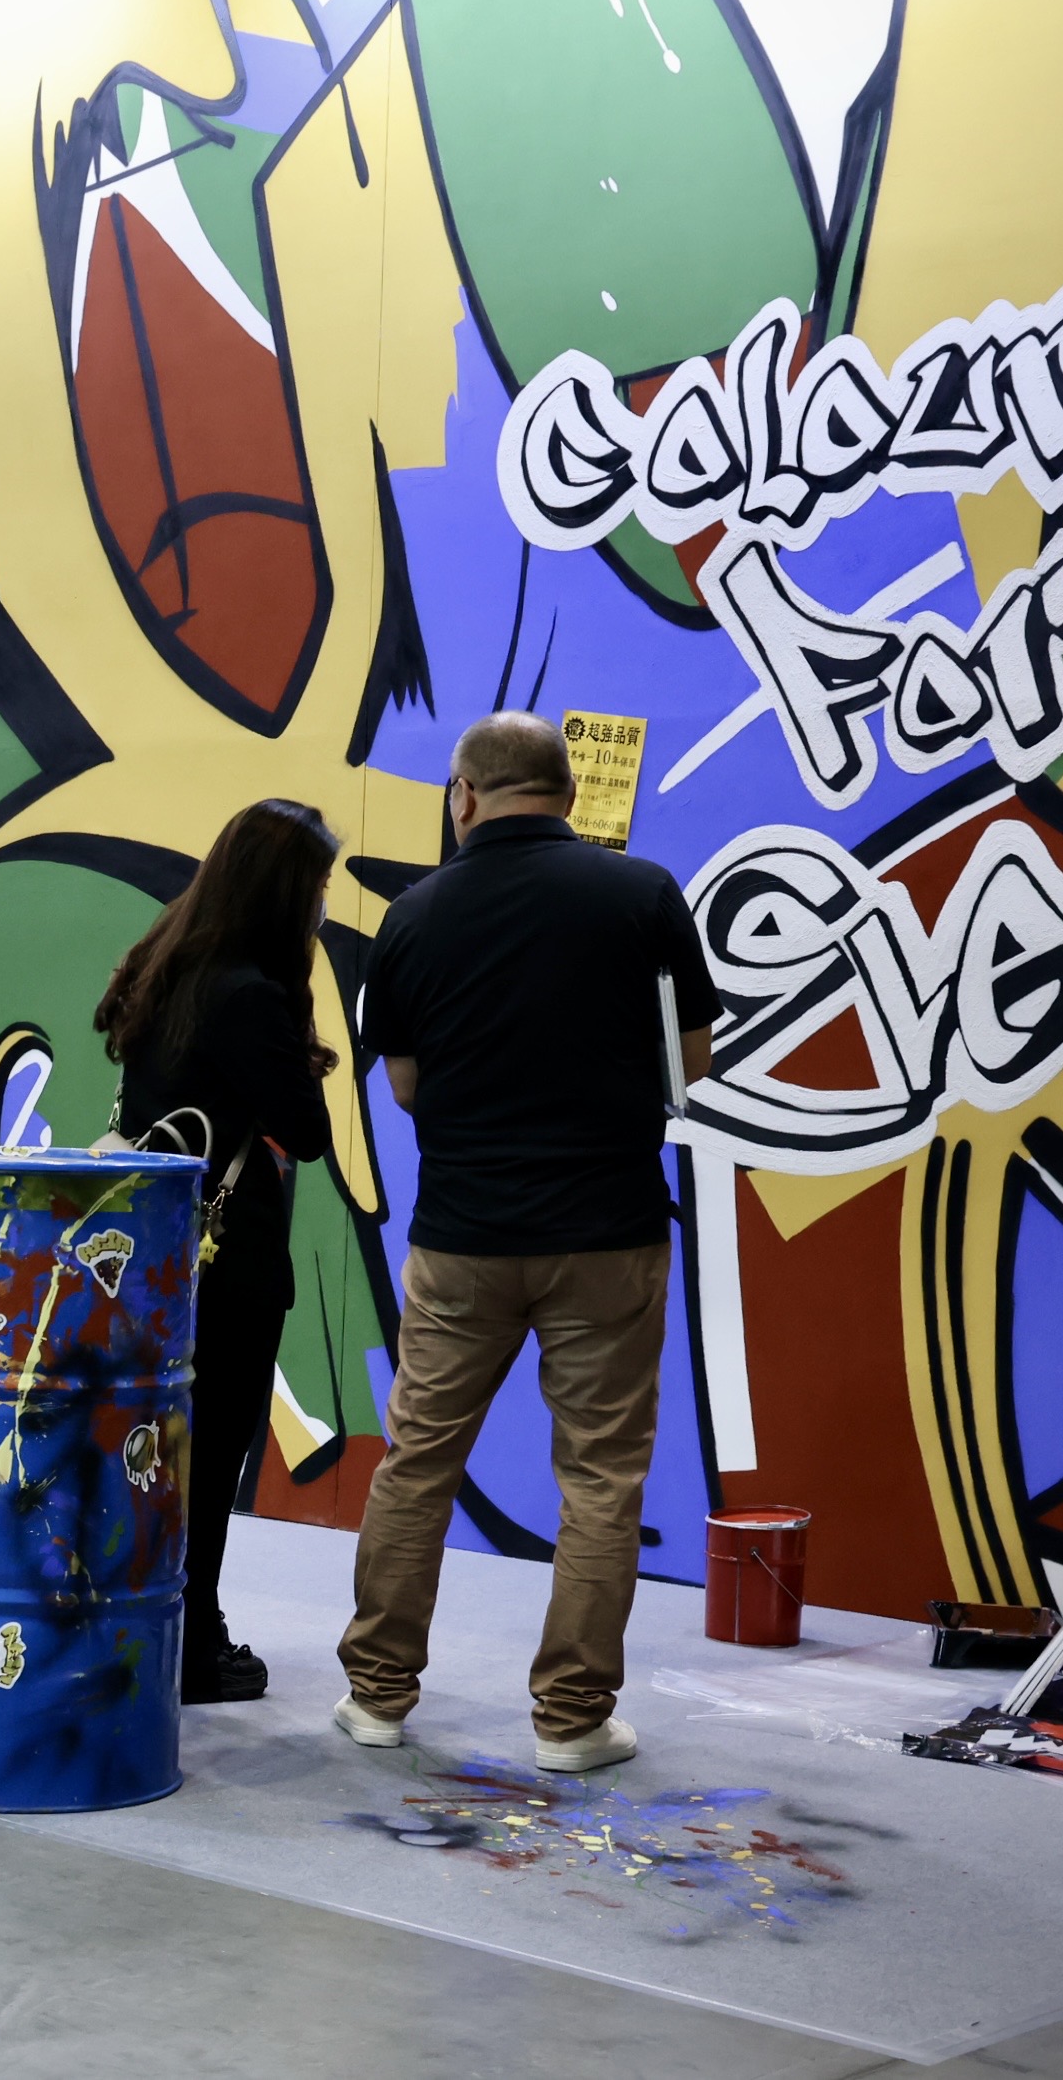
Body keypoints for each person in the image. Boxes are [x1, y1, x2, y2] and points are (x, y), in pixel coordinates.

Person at [334, 712, 718, 1774]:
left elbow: (405, 1085)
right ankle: (571, 1721)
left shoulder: (413, 915)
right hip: (608, 1235)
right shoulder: (643, 895)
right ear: (568, 792)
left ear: (464, 795)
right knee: (599, 1478)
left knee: (419, 1462)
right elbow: (690, 1064)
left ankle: (377, 1697)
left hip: (463, 1238)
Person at [95, 798, 344, 1707]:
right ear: (286, 893)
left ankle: (154, 1624)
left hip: (155, 1249)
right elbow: (304, 1130)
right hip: (227, 1261)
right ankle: (193, 1646)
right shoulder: (251, 993)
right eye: (317, 886)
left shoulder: (167, 960)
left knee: (158, 1454)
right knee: (207, 1460)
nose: (323, 904)